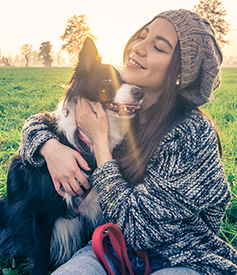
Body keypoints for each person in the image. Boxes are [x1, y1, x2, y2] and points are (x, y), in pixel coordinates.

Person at [19, 9, 237, 275]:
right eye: (142, 36)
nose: (139, 48)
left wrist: (100, 144)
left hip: (184, 259)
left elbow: (138, 229)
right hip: (110, 249)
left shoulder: (192, 134)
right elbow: (40, 121)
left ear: (182, 73)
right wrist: (49, 147)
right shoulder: (125, 112)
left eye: (158, 47)